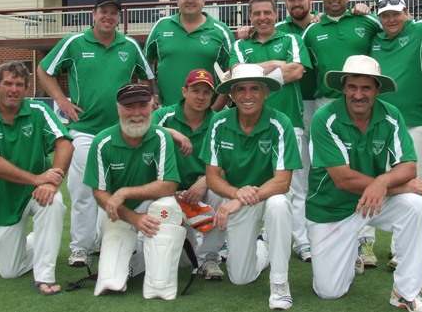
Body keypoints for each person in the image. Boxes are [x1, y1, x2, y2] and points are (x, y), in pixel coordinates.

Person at [37, 0, 155, 267]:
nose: (108, 16)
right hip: (85, 130)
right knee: (82, 190)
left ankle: (109, 241)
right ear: (94, 14)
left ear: (118, 17)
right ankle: (81, 247)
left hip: (121, 132)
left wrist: (147, 104)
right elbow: (44, 70)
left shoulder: (129, 45)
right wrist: (62, 101)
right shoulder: (75, 42)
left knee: (118, 188)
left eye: (113, 12)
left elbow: (148, 78)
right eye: (103, 11)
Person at [307, 55, 422, 311]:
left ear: (377, 89)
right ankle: (349, 254)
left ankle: (405, 292)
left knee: (415, 206)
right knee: (329, 292)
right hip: (331, 209)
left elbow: (409, 166)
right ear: (343, 88)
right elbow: (343, 179)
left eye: (366, 88)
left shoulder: (391, 114)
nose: (358, 94)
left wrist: (383, 181)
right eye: (352, 87)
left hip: (372, 202)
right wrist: (394, 186)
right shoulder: (324, 118)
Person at [200, 64, 302, 310]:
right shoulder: (219, 122)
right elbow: (212, 177)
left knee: (279, 206)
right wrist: (236, 193)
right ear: (232, 95)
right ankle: (264, 246)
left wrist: (238, 199)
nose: (248, 96)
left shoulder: (280, 122)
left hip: (270, 194)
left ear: (265, 92)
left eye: (255, 88)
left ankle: (280, 283)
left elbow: (282, 181)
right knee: (240, 277)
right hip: (240, 196)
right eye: (241, 90)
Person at [301, 0, 382, 267]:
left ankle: (366, 243)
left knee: (365, 168)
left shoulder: (368, 23)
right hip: (327, 104)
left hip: (364, 103)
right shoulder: (312, 31)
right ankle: (337, 234)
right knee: (333, 171)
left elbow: (397, 29)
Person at [230, 0, 312, 263]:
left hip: (290, 122)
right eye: (257, 14)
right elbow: (235, 75)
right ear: (250, 17)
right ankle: (259, 237)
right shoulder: (240, 45)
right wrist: (276, 65)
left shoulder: (291, 38)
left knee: (296, 187)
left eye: (267, 12)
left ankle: (301, 242)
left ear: (276, 14)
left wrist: (255, 72)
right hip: (251, 126)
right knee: (253, 183)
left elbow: (297, 72)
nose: (262, 18)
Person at [83, 83, 185, 299]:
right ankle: (135, 258)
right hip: (116, 209)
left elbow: (168, 185)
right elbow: (100, 193)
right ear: (118, 108)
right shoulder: (102, 142)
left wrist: (125, 192)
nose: (136, 113)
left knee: (166, 206)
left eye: (142, 106)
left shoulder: (160, 136)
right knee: (110, 281)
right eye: (129, 107)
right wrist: (134, 217)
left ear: (152, 107)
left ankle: (159, 283)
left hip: (150, 202)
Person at [0, 61, 74, 295]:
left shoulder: (37, 110)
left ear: (26, 88)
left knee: (53, 203)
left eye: (20, 84)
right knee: (9, 271)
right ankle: (36, 240)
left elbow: (64, 144)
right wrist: (37, 179)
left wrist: (51, 181)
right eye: (8, 84)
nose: (14, 89)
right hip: (5, 199)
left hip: (39, 193)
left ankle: (44, 277)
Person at [152, 68, 225, 280]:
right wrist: (171, 132)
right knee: (183, 261)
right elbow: (142, 129)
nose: (200, 97)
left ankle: (210, 257)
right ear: (184, 91)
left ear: (212, 95)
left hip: (202, 187)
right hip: (169, 190)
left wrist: (206, 180)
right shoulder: (164, 116)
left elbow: (229, 159)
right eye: (195, 90)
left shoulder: (220, 120)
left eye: (206, 92)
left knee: (222, 195)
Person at [144, 0, 235, 110]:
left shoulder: (221, 30)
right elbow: (146, 65)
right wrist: (151, 94)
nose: (190, 0)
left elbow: (231, 74)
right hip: (168, 112)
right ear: (177, 0)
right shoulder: (161, 26)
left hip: (208, 114)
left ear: (204, 0)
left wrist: (215, 110)